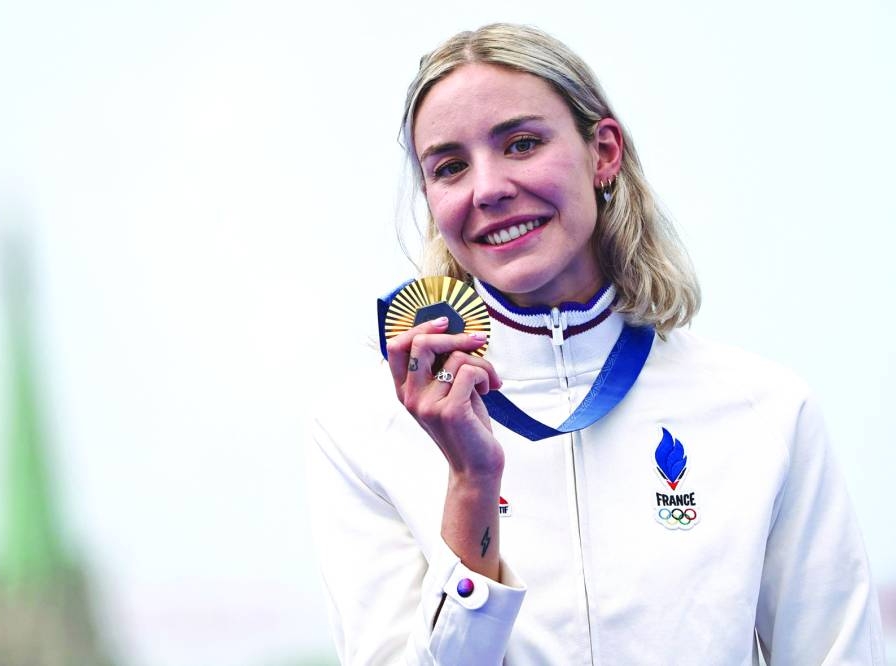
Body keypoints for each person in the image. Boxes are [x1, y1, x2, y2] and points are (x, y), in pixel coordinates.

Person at [307, 23, 885, 665]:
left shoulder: (766, 410)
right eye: (450, 167)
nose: (488, 187)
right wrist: (472, 482)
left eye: (521, 144)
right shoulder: (364, 429)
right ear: (431, 197)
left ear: (603, 152)